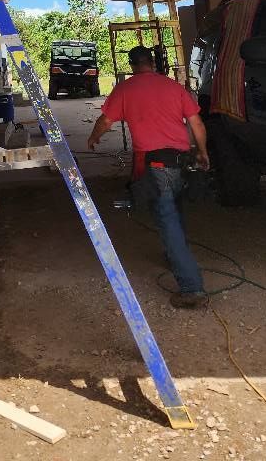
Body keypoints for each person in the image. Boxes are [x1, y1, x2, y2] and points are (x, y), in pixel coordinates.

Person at [86, 45, 210, 309]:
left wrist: (94, 138)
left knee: (167, 219)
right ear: (153, 63)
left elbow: (106, 122)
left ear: (132, 65)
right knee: (174, 208)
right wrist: (202, 152)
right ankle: (175, 255)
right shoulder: (174, 87)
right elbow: (196, 123)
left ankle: (192, 287)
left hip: (155, 165)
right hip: (180, 161)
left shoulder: (126, 89)